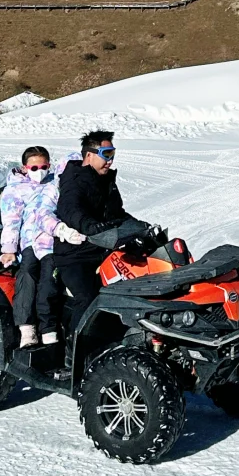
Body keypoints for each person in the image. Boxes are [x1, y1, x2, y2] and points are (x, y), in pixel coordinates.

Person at [54, 129, 150, 329]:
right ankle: (76, 352)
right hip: (76, 255)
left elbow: (117, 213)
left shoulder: (106, 180)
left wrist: (140, 227)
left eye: (112, 154)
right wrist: (89, 226)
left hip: (104, 249)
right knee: (89, 298)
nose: (110, 161)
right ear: (89, 155)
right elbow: (70, 210)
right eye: (106, 155)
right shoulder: (74, 180)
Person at [0, 145, 63, 347]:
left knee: (50, 277)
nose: (39, 171)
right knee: (27, 273)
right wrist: (8, 248)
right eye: (34, 168)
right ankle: (27, 327)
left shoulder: (54, 183)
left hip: (52, 239)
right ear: (25, 168)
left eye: (43, 166)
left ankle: (50, 329)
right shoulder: (15, 189)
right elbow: (12, 220)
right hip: (28, 240)